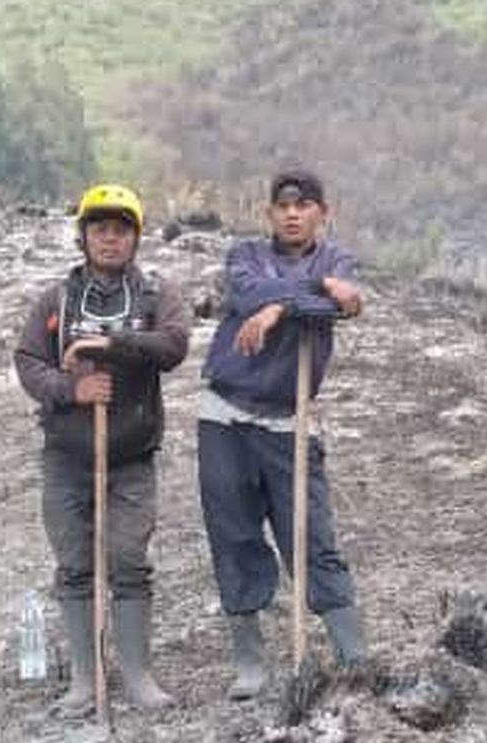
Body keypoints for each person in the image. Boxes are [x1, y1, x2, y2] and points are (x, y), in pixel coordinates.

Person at [14, 184, 189, 715]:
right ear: (84, 236)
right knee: (74, 564)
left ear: (135, 238)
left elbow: (174, 346)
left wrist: (111, 344)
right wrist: (73, 389)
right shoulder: (57, 300)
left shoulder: (157, 295)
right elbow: (28, 361)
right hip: (66, 457)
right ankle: (85, 680)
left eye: (120, 230)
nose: (110, 239)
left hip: (132, 456)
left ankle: (137, 675)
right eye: (100, 229)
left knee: (130, 561)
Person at [197, 169, 366, 701]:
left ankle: (353, 657)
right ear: (269, 212)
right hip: (225, 414)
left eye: (304, 205)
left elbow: (346, 304)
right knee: (235, 534)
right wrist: (305, 294)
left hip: (289, 419)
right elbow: (249, 294)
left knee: (312, 537)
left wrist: (282, 306)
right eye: (283, 206)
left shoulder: (338, 258)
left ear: (323, 212)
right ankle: (250, 662)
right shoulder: (244, 254)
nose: (293, 214)